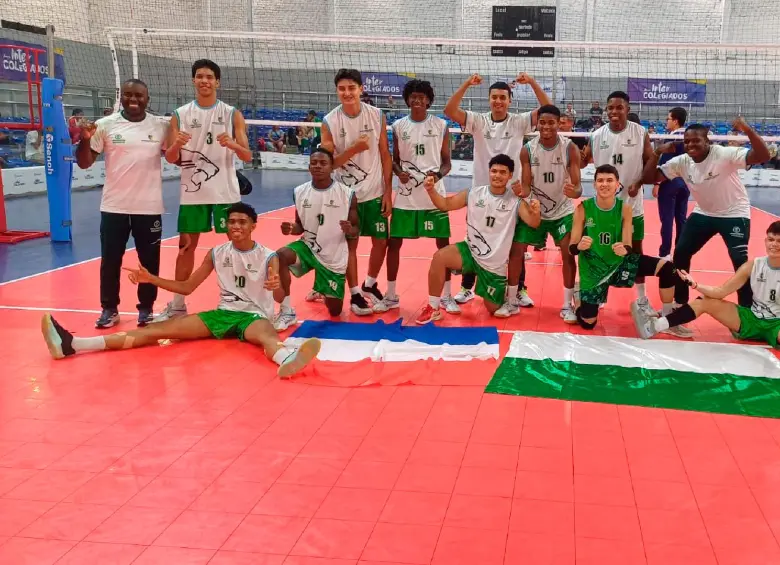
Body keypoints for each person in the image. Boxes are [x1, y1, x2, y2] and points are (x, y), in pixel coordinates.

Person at [40, 203, 321, 378]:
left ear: (253, 226)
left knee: (266, 335)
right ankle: (75, 345)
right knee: (159, 331)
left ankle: (287, 359)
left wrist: (276, 287)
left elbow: (278, 295)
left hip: (253, 316)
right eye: (232, 222)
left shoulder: (269, 256)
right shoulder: (216, 252)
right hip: (222, 315)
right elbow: (187, 286)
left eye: (242, 222)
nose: (235, 226)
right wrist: (152, 278)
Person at [643, 118, 772, 320]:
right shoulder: (682, 162)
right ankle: (680, 302)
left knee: (739, 261)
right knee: (681, 253)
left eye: (696, 141)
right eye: (687, 142)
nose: (691, 145)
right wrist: (657, 152)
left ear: (707, 142)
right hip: (704, 212)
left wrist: (746, 129)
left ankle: (748, 311)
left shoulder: (723, 154)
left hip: (734, 213)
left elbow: (763, 155)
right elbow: (650, 178)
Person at [444, 73, 550, 311]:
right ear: (489, 99)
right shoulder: (478, 120)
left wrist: (533, 82)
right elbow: (450, 110)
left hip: (512, 194)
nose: (498, 101)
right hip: (481, 193)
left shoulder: (519, 121)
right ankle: (467, 287)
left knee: (516, 244)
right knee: (474, 238)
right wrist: (466, 84)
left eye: (503, 97)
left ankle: (520, 288)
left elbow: (548, 108)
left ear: (510, 100)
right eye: (494, 97)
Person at [156, 59, 252, 321]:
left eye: (209, 77)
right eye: (199, 76)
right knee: (185, 248)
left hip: (225, 193)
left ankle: (243, 300)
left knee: (237, 246)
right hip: (193, 194)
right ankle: (177, 304)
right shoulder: (180, 114)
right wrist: (175, 144)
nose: (204, 81)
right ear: (193, 80)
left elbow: (247, 154)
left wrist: (232, 144)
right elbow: (172, 158)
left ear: (217, 82)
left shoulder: (232, 114)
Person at [74, 79, 169, 328]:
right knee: (110, 260)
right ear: (121, 97)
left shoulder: (160, 126)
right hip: (114, 206)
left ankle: (146, 309)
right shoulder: (104, 126)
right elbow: (84, 163)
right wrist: (84, 139)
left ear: (148, 99)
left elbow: (176, 157)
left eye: (139, 95)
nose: (133, 99)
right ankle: (109, 309)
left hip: (149, 207)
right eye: (128, 94)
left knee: (149, 262)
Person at [415, 154, 541, 324]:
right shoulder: (473, 193)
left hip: (494, 266)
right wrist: (431, 190)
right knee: (440, 257)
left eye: (503, 172)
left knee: (493, 310)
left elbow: (533, 223)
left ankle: (505, 297)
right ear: (489, 172)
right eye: (494, 171)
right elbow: (445, 204)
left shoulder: (515, 201)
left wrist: (536, 212)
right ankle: (433, 307)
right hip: (470, 251)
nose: (497, 175)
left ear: (510, 175)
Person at [373, 79, 457, 313]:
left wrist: (437, 176)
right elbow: (396, 160)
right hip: (407, 195)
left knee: (443, 245)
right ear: (408, 99)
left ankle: (447, 296)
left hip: (433, 194)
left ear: (429, 100)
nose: (418, 100)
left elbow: (447, 163)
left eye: (422, 97)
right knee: (394, 243)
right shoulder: (399, 126)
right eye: (413, 96)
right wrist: (399, 173)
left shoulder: (441, 125)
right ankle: (390, 295)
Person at [571, 165, 685, 331]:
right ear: (594, 184)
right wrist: (579, 246)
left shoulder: (625, 209)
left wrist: (624, 249)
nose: (604, 184)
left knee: (668, 268)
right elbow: (571, 247)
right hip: (593, 271)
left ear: (617, 184)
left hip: (619, 264)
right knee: (588, 323)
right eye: (600, 180)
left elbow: (628, 244)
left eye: (609, 180)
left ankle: (667, 319)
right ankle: (579, 300)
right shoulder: (583, 208)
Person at [634, 221, 780, 346]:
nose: (774, 244)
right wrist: (695, 285)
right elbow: (721, 291)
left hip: (776, 323)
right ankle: (654, 326)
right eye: (771, 239)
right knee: (704, 302)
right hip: (751, 318)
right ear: (765, 240)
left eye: (779, 241)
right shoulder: (753, 265)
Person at [320, 69, 393, 316]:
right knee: (349, 246)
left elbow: (385, 154)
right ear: (337, 91)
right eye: (342, 89)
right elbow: (329, 163)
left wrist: (387, 192)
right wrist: (354, 148)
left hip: (374, 192)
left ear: (361, 89)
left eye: (352, 88)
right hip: (345, 198)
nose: (347, 93)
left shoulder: (377, 116)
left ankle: (369, 284)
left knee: (381, 242)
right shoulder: (329, 121)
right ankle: (354, 294)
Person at [581, 91, 655, 316]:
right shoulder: (597, 135)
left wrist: (639, 182)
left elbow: (650, 160)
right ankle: (598, 294)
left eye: (619, 108)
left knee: (635, 251)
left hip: (632, 206)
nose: (614, 112)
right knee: (600, 252)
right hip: (604, 207)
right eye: (610, 108)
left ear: (627, 109)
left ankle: (642, 299)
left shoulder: (640, 133)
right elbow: (583, 160)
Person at [274, 148, 358, 329]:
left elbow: (356, 230)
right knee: (281, 255)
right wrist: (291, 229)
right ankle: (286, 310)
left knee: (334, 311)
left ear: (331, 167)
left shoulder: (347, 193)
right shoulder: (300, 192)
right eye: (314, 163)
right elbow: (300, 226)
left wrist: (349, 229)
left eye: (323, 163)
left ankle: (321, 289)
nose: (318, 166)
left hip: (333, 257)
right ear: (309, 167)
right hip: (309, 248)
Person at [516, 105, 581, 323]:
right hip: (536, 210)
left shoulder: (569, 148)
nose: (546, 126)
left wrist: (575, 191)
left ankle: (566, 304)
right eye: (542, 122)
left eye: (551, 122)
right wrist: (519, 192)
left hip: (562, 210)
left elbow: (578, 187)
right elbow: (525, 188)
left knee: (568, 254)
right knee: (517, 250)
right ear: (538, 124)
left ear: (558, 123)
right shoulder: (527, 149)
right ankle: (510, 298)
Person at [652, 107, 689, 259]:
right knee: (681, 220)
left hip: (670, 183)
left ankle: (665, 253)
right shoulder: (689, 137)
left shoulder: (672, 139)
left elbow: (665, 165)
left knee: (667, 220)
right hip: (685, 184)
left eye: (668, 119)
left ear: (675, 121)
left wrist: (657, 184)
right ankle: (680, 253)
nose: (666, 122)